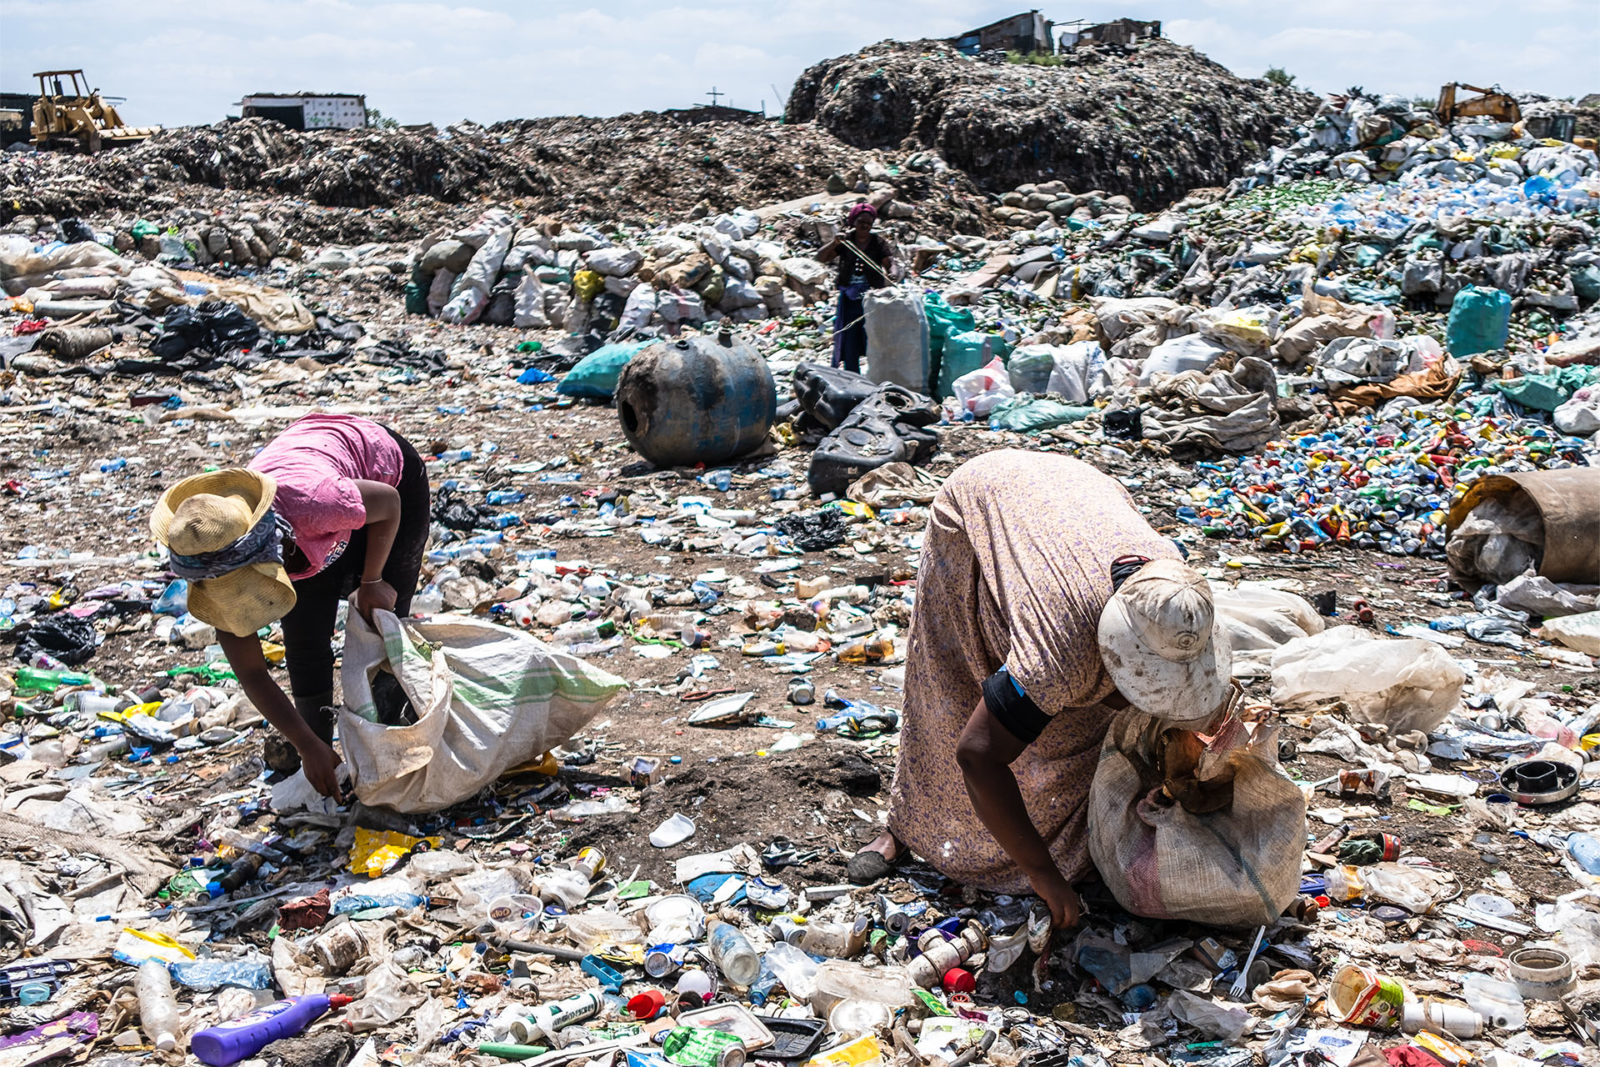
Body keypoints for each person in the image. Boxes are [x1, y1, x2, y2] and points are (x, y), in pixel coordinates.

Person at [848, 450, 1234, 930]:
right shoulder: (1061, 651)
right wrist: (1044, 875)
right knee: (950, 693)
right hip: (982, 505)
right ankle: (907, 827)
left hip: (1076, 494)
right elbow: (977, 755)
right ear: (1112, 649)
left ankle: (1063, 841)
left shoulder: (1175, 593)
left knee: (1077, 720)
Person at [149, 413, 430, 797]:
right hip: (305, 530)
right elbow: (252, 673)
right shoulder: (210, 559)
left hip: (384, 485)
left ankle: (394, 752)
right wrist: (307, 747)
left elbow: (389, 503)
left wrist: (372, 581)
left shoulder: (314, 503)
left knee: (381, 626)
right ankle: (324, 763)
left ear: (268, 558)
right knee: (305, 641)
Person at [816, 202, 893, 374]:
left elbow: (889, 262)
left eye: (868, 222)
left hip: (872, 298)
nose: (864, 226)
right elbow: (820, 257)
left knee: (873, 336)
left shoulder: (878, 243)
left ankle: (875, 373)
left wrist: (892, 273)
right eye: (860, 222)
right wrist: (833, 243)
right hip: (849, 298)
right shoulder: (846, 241)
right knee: (849, 338)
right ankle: (853, 374)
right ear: (853, 222)